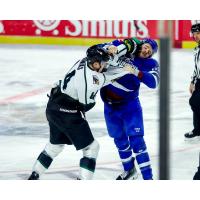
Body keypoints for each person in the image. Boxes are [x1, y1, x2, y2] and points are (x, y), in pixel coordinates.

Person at [28, 45, 134, 180]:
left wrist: (111, 50)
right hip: (67, 113)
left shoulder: (84, 61)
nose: (104, 64)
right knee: (92, 148)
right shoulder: (90, 80)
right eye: (102, 62)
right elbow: (86, 103)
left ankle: (34, 175)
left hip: (53, 106)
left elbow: (102, 69)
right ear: (95, 63)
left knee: (55, 145)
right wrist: (125, 71)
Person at [99, 37, 159, 180]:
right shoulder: (127, 50)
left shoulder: (150, 63)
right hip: (109, 106)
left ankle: (148, 178)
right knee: (119, 141)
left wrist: (136, 72)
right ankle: (129, 171)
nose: (146, 51)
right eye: (145, 47)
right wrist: (110, 47)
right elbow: (106, 46)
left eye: (150, 51)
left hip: (130, 107)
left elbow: (154, 82)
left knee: (137, 142)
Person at [184, 23, 200, 140]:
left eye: (198, 33)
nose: (195, 36)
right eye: (194, 34)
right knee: (195, 102)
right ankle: (197, 129)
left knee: (195, 102)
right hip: (199, 81)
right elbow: (197, 67)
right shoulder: (197, 49)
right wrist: (193, 81)